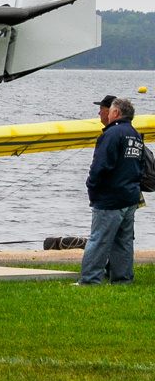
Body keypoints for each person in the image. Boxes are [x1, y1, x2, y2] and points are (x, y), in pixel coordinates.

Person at [78, 97, 143, 285]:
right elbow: (141, 166)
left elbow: (101, 165)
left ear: (116, 113)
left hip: (110, 197)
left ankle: (90, 279)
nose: (101, 113)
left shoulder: (112, 134)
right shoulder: (136, 134)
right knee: (124, 241)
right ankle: (122, 279)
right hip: (130, 196)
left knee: (99, 240)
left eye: (107, 110)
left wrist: (92, 184)